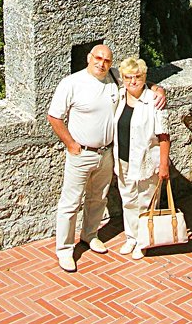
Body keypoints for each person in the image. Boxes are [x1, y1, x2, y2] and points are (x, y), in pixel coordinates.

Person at [47, 44, 165, 272]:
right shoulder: (71, 83)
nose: (102, 64)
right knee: (70, 204)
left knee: (98, 198)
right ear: (89, 58)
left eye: (107, 60)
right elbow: (54, 116)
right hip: (81, 153)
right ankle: (64, 250)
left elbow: (135, 83)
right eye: (98, 58)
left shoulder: (112, 79)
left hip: (106, 153)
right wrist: (71, 145)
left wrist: (158, 89)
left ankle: (90, 235)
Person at [113, 56, 170, 260]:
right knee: (128, 200)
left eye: (137, 77)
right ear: (122, 79)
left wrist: (163, 165)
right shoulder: (119, 97)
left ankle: (143, 241)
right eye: (128, 77)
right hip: (123, 160)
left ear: (144, 78)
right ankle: (131, 237)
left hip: (146, 161)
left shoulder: (153, 101)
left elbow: (164, 136)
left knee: (145, 202)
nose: (133, 81)